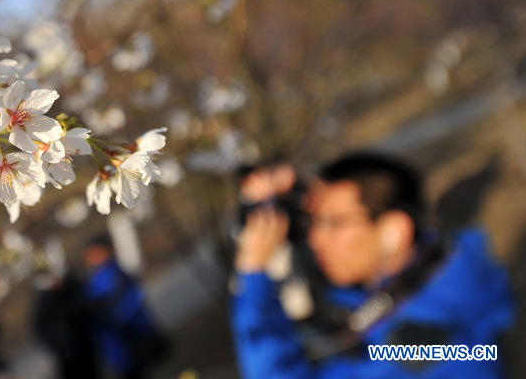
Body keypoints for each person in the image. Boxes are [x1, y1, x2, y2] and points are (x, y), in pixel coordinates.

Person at [232, 151, 515, 379]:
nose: (316, 238)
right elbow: (360, 308)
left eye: (334, 223)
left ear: (394, 231)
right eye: (315, 222)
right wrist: (299, 194)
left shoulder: (429, 352)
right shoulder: (441, 270)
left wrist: (254, 280)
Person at [83, 234, 168, 379]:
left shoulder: (117, 276)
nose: (91, 258)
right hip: (118, 349)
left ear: (106, 251)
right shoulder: (95, 280)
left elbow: (130, 306)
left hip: (131, 344)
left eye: (95, 253)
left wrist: (105, 316)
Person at [33, 271, 99, 379]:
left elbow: (88, 309)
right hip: (66, 355)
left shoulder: (73, 288)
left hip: (85, 347)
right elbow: (41, 328)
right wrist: (60, 346)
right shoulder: (45, 301)